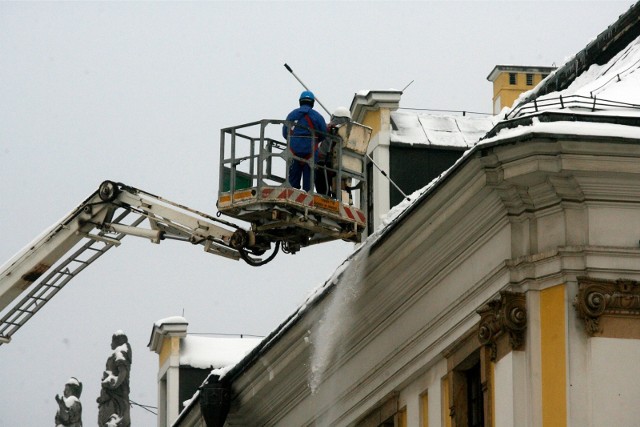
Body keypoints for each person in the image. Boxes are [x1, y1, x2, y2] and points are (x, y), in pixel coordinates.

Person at [282, 90, 327, 191]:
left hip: (294, 152)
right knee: (309, 184)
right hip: (311, 153)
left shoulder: (292, 115)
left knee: (293, 182)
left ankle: (291, 196)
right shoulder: (317, 117)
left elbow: (285, 133)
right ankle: (308, 198)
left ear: (300, 101)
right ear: (312, 102)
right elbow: (324, 134)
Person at [97, 331, 132, 427]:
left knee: (114, 418)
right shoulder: (118, 354)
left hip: (116, 395)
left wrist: (114, 385)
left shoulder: (120, 353)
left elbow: (123, 372)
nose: (111, 344)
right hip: (113, 394)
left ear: (117, 341)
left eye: (112, 341)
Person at [315, 106, 351, 197]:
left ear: (333, 117)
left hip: (324, 164)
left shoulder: (326, 129)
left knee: (322, 190)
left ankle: (324, 199)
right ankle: (345, 198)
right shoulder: (352, 132)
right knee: (343, 193)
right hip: (343, 167)